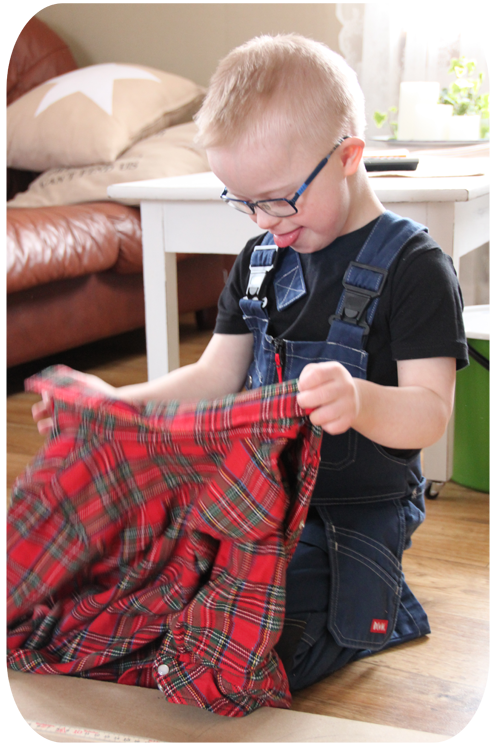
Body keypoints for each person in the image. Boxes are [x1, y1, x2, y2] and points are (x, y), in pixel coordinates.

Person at [33, 34, 468, 691]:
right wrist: (118, 401)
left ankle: (381, 605)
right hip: (252, 499)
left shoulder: (416, 269)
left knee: (256, 645)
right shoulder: (261, 261)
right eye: (242, 201)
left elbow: (430, 414)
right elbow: (214, 376)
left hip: (347, 516)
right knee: (133, 589)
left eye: (278, 198)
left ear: (348, 156)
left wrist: (360, 400)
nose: (264, 221)